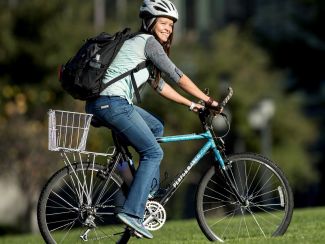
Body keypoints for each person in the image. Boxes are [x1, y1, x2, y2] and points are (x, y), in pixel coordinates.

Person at [85, 0, 219, 239]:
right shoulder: (147, 42)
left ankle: (145, 192)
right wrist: (208, 101)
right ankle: (133, 214)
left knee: (156, 126)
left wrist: (191, 104)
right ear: (150, 22)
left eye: (171, 24)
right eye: (164, 22)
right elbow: (176, 75)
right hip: (113, 104)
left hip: (109, 104)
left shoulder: (138, 45)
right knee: (154, 153)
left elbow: (159, 85)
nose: (168, 28)